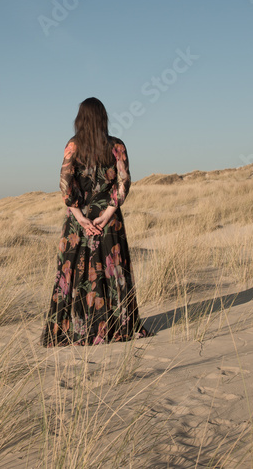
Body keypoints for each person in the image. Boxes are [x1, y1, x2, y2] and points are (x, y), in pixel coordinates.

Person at [41, 97, 153, 346]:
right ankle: (118, 328)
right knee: (112, 272)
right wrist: (108, 212)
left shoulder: (73, 145)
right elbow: (124, 181)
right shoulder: (117, 145)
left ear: (80, 119)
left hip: (78, 222)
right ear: (103, 117)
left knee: (75, 275)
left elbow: (65, 184)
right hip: (109, 220)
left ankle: (75, 330)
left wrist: (80, 217)